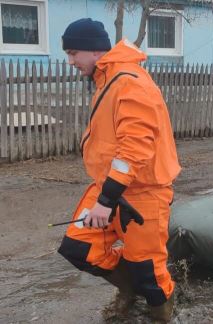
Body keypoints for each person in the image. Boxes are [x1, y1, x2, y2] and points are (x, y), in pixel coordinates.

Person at [56, 18, 181, 322]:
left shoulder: (128, 81)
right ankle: (132, 290)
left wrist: (106, 201)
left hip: (142, 194)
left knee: (148, 271)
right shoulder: (107, 80)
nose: (70, 61)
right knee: (78, 247)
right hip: (110, 187)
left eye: (74, 53)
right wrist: (106, 195)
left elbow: (135, 147)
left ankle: (163, 312)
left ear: (95, 51)